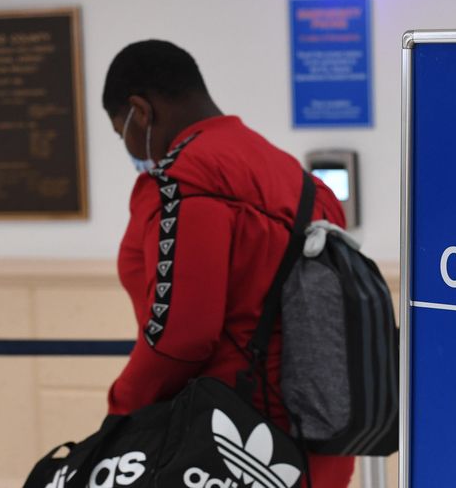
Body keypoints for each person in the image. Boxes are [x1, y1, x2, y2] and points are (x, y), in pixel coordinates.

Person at [102, 40, 354, 487]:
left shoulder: (184, 178)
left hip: (226, 450)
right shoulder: (299, 180)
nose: (130, 147)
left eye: (121, 130)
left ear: (141, 112)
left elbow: (181, 336)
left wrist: (121, 415)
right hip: (320, 446)